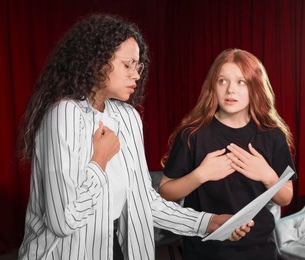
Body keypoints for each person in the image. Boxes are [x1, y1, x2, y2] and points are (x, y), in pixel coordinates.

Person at [17, 15, 253, 260]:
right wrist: (99, 161)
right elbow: (63, 221)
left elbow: (145, 201)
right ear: (97, 61)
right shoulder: (63, 114)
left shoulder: (128, 118)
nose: (137, 75)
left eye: (138, 66)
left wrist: (209, 222)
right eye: (127, 64)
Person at [159, 48, 297, 260]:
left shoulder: (273, 136)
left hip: (259, 250)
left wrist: (267, 176)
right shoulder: (192, 135)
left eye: (241, 81)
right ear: (213, 86)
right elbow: (166, 191)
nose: (231, 90)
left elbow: (286, 196)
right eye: (223, 81)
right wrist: (201, 174)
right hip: (203, 251)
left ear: (255, 87)